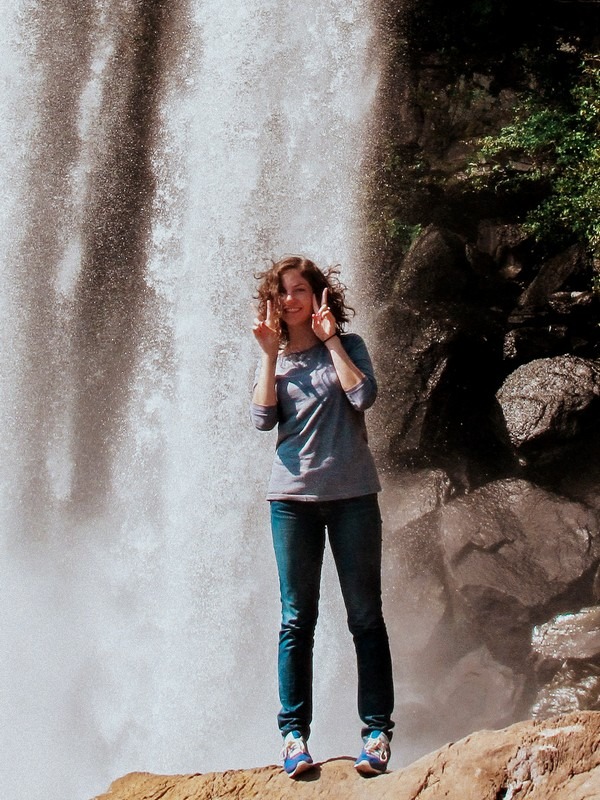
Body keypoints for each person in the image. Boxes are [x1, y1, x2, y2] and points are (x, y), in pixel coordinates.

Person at [250, 255, 394, 778]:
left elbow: (363, 395)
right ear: (274, 301)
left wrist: (332, 341)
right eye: (282, 292)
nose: (291, 299)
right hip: (291, 502)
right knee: (296, 620)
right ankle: (293, 737)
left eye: (300, 290)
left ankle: (376, 733)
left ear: (317, 296)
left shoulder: (349, 347)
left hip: (353, 496)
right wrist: (268, 357)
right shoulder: (279, 359)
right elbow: (262, 419)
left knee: (365, 617)